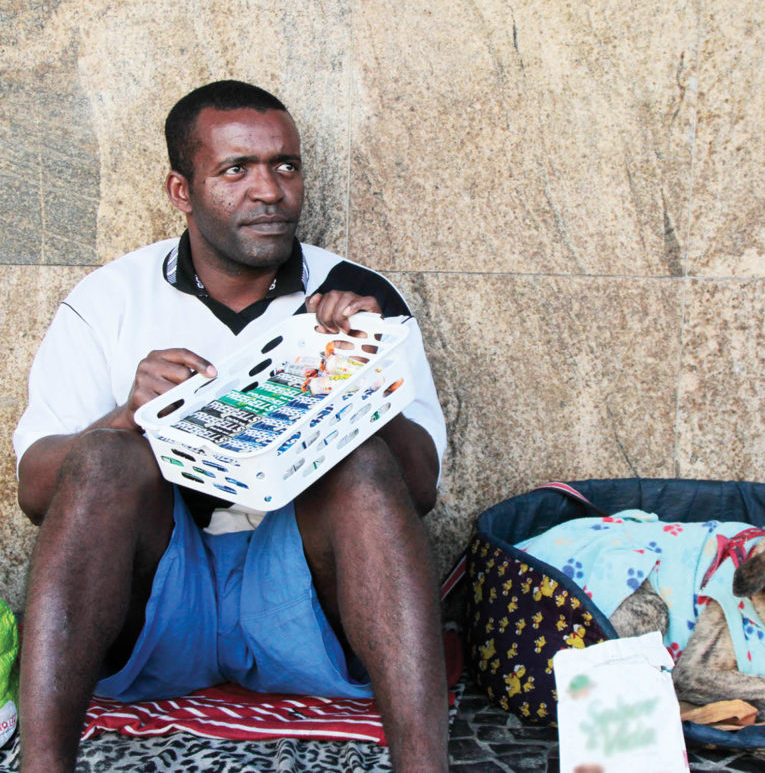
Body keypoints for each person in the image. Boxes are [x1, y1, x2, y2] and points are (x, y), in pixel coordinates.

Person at [12, 80, 450, 773]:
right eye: (235, 169)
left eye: (285, 166)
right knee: (105, 457)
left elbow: (419, 489)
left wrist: (359, 373)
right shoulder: (110, 299)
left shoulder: (356, 297)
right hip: (160, 607)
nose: (269, 191)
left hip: (302, 607)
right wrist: (126, 419)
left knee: (363, 460)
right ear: (181, 190)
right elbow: (36, 492)